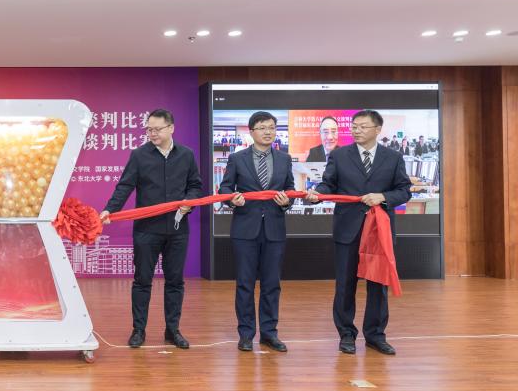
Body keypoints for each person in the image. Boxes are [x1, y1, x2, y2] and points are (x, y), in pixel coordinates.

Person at [306, 109, 412, 356]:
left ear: (378, 129)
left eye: (363, 126)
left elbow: (404, 190)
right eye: (354, 126)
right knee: (345, 284)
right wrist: (318, 194)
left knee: (378, 284)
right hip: (348, 229)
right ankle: (346, 334)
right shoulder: (339, 155)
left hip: (379, 230)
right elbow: (328, 184)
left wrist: (382, 196)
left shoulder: (393, 157)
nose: (356, 130)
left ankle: (375, 335)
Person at [100, 108, 203, 349]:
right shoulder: (139, 155)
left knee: (175, 281)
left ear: (171, 128)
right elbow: (124, 186)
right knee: (142, 280)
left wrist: (189, 201)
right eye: (149, 129)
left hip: (177, 229)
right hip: (147, 230)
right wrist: (109, 210)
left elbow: (195, 186)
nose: (152, 133)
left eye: (157, 129)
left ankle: (172, 330)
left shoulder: (186, 155)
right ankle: (138, 330)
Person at [218, 111, 295, 353]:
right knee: (245, 284)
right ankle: (246, 334)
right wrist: (232, 199)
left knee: (272, 284)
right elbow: (225, 189)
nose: (268, 132)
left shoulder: (284, 159)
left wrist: (287, 201)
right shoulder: (237, 158)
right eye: (262, 128)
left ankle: (270, 333)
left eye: (271, 127)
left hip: (274, 229)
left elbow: (290, 189)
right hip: (245, 229)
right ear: (251, 132)